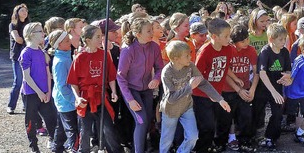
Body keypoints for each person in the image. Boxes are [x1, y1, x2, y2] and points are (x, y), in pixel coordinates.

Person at [159, 41, 230, 153]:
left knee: (193, 136)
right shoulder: (167, 72)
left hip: (187, 107)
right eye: (187, 55)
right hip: (170, 110)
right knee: (166, 140)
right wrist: (189, 87)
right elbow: (171, 98)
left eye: (190, 54)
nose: (190, 57)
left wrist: (219, 99)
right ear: (176, 59)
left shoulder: (190, 66)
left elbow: (202, 82)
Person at [66, 25, 122, 153]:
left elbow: (111, 76)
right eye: (97, 36)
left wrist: (113, 91)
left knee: (108, 128)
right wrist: (77, 97)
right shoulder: (80, 57)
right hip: (85, 98)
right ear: (88, 40)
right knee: (85, 131)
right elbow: (73, 82)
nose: (101, 39)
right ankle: (83, 150)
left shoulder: (104, 55)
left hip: (101, 96)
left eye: (101, 36)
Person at [116, 18, 164, 153]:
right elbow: (120, 77)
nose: (151, 33)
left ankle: (139, 148)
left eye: (151, 30)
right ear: (138, 34)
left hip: (147, 90)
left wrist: (156, 79)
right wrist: (130, 99)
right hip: (132, 91)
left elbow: (160, 68)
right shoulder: (128, 50)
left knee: (147, 122)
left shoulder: (154, 47)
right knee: (142, 122)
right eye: (148, 31)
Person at [192, 18, 238, 152]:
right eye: (226, 36)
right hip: (202, 95)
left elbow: (225, 68)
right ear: (214, 37)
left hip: (218, 93)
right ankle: (202, 149)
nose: (229, 39)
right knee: (207, 126)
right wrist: (210, 94)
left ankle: (218, 146)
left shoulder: (228, 49)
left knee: (222, 122)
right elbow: (197, 76)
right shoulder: (205, 51)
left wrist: (235, 79)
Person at [215, 24, 258, 152]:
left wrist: (252, 90)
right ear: (234, 42)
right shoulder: (228, 49)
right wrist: (237, 87)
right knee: (225, 118)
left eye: (247, 39)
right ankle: (221, 142)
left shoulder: (250, 50)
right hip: (227, 89)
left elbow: (256, 72)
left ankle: (244, 141)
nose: (246, 42)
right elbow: (225, 70)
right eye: (242, 41)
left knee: (246, 116)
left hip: (245, 88)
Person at [253, 23, 292, 151]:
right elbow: (262, 73)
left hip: (277, 87)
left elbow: (288, 71)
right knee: (257, 113)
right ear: (271, 39)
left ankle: (270, 137)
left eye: (284, 39)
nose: (283, 42)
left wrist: (287, 78)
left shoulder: (285, 52)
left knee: (277, 113)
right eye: (280, 39)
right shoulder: (265, 52)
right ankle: (252, 136)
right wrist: (273, 92)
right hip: (263, 89)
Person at [20, 22, 57, 153]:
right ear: (31, 35)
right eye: (40, 31)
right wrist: (39, 93)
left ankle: (56, 145)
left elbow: (48, 74)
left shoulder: (42, 52)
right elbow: (27, 77)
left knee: (51, 119)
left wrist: (47, 91)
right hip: (30, 93)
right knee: (31, 121)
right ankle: (34, 147)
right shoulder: (26, 53)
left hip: (45, 93)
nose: (43, 34)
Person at [48, 30, 77, 153]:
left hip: (65, 100)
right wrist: (74, 100)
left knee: (61, 128)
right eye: (66, 41)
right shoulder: (60, 62)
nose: (70, 42)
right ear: (59, 45)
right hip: (66, 102)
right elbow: (62, 86)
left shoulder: (65, 56)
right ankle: (74, 148)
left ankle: (57, 148)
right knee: (72, 130)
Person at [8, 3, 30, 114]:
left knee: (28, 81)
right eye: (22, 11)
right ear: (17, 13)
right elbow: (18, 40)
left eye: (26, 10)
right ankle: (11, 106)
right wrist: (30, 39)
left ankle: (26, 105)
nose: (25, 12)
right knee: (18, 82)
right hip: (17, 56)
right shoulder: (13, 25)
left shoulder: (29, 25)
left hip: (29, 57)